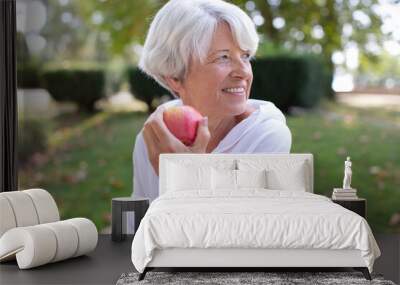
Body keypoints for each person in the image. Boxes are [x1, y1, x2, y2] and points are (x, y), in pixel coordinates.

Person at [132, 0, 292, 203]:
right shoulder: (155, 135)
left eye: (245, 56)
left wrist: (188, 173)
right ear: (174, 76)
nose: (244, 71)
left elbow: (238, 229)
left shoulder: (266, 135)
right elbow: (142, 220)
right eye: (223, 57)